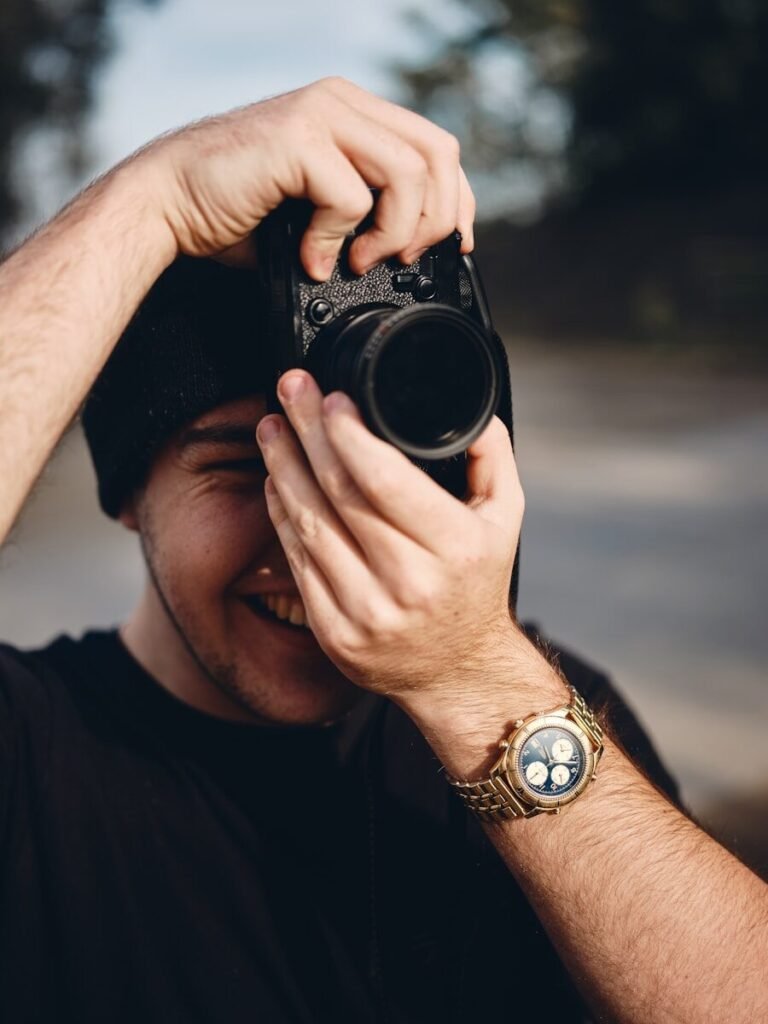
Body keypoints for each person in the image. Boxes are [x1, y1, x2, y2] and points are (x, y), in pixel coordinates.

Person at [0, 77, 765, 1024]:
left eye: (379, 454)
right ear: (128, 494)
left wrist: (474, 681)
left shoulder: (544, 715)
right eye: (247, 467)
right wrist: (156, 198)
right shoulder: (37, 753)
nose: (320, 521)